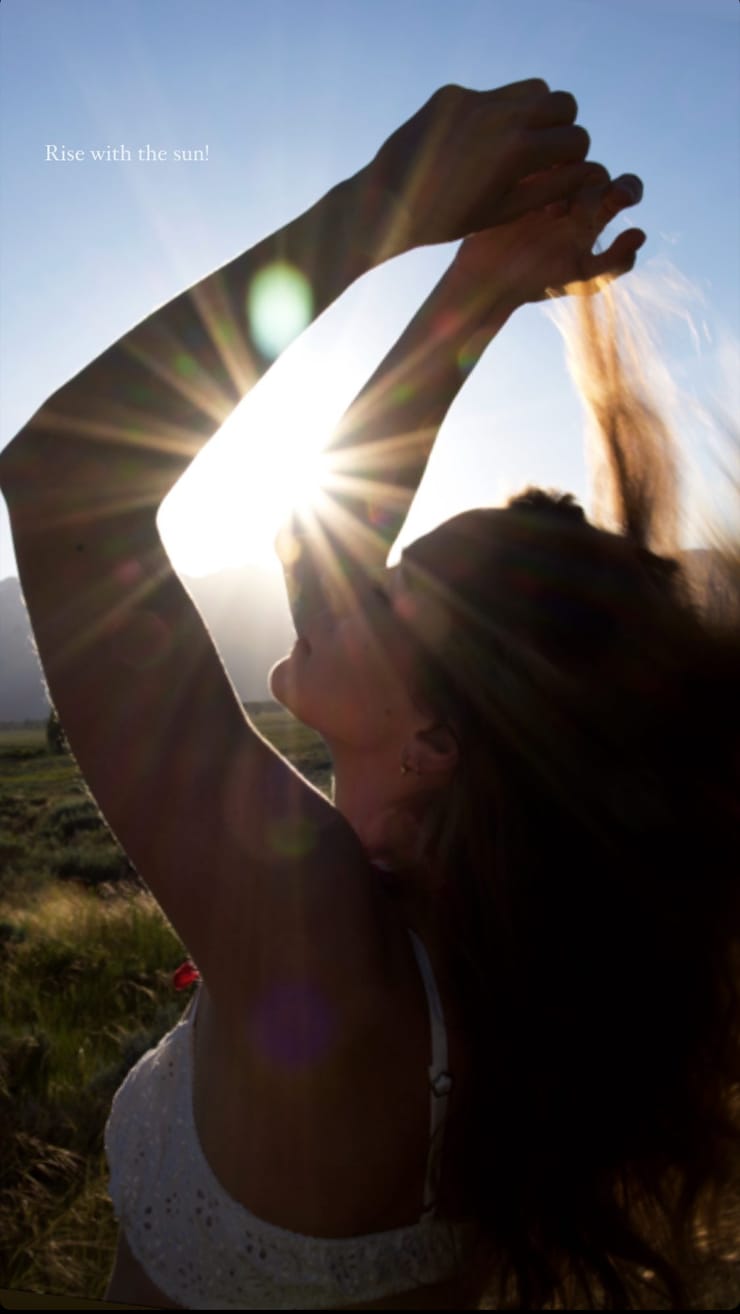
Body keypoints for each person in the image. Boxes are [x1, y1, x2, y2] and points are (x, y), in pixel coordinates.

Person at [0, 80, 737, 1310]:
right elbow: (322, 551)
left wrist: (380, 207)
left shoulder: (318, 941)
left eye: (394, 592)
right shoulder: (497, 949)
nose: (355, 571)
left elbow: (62, 480)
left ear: (440, 739)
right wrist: (478, 287)